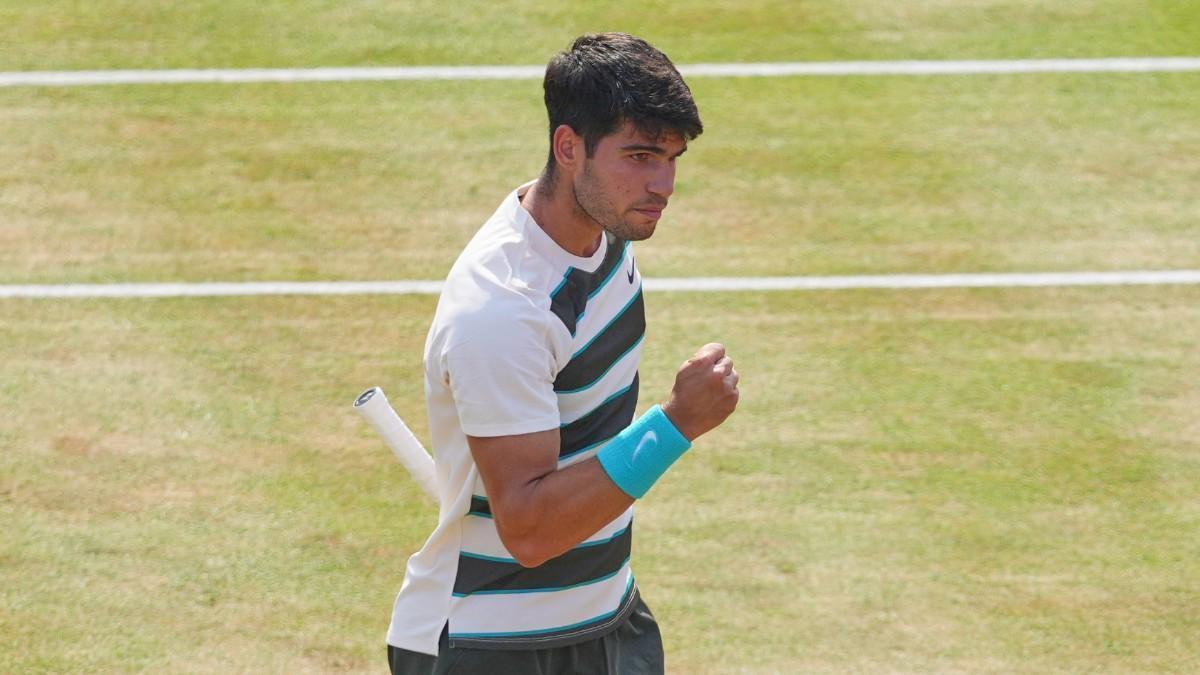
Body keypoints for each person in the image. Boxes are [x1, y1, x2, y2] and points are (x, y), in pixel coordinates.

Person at [386, 32, 740, 675]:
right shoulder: (504, 310)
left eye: (671, 157)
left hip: (605, 617)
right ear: (568, 146)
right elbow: (529, 529)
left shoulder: (607, 236)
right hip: (491, 644)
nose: (661, 183)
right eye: (638, 156)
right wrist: (676, 426)